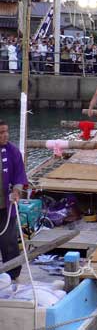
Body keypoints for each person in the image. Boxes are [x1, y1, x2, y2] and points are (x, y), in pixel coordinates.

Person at [0, 120, 28, 281]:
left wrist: (17, 191)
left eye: (6, 131)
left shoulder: (13, 151)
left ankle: (12, 273)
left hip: (7, 205)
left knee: (8, 239)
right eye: (1, 132)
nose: (5, 135)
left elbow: (19, 175)